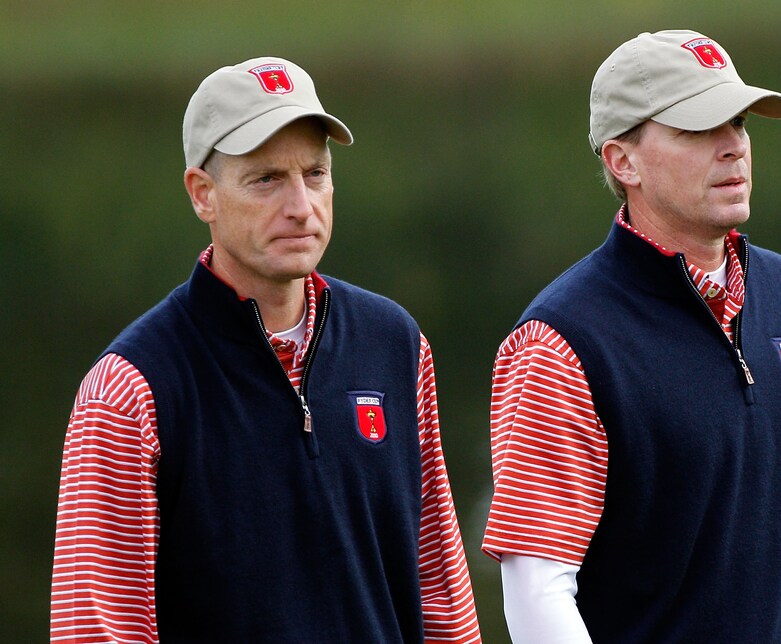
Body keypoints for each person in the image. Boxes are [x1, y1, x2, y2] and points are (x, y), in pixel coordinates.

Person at [51, 57, 481, 643]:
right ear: (203, 195)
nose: (301, 206)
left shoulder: (396, 344)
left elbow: (441, 590)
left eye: (316, 174)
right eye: (266, 179)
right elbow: (98, 627)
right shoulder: (131, 388)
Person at [482, 30, 781, 642]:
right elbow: (536, 587)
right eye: (698, 129)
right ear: (621, 161)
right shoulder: (561, 340)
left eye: (737, 122)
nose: (734, 146)